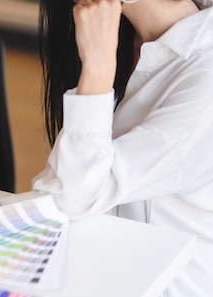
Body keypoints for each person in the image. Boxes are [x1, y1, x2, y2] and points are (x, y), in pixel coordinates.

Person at [32, 0, 213, 295]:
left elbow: (70, 198)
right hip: (106, 271)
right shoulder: (118, 38)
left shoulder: (205, 76)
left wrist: (98, 67)